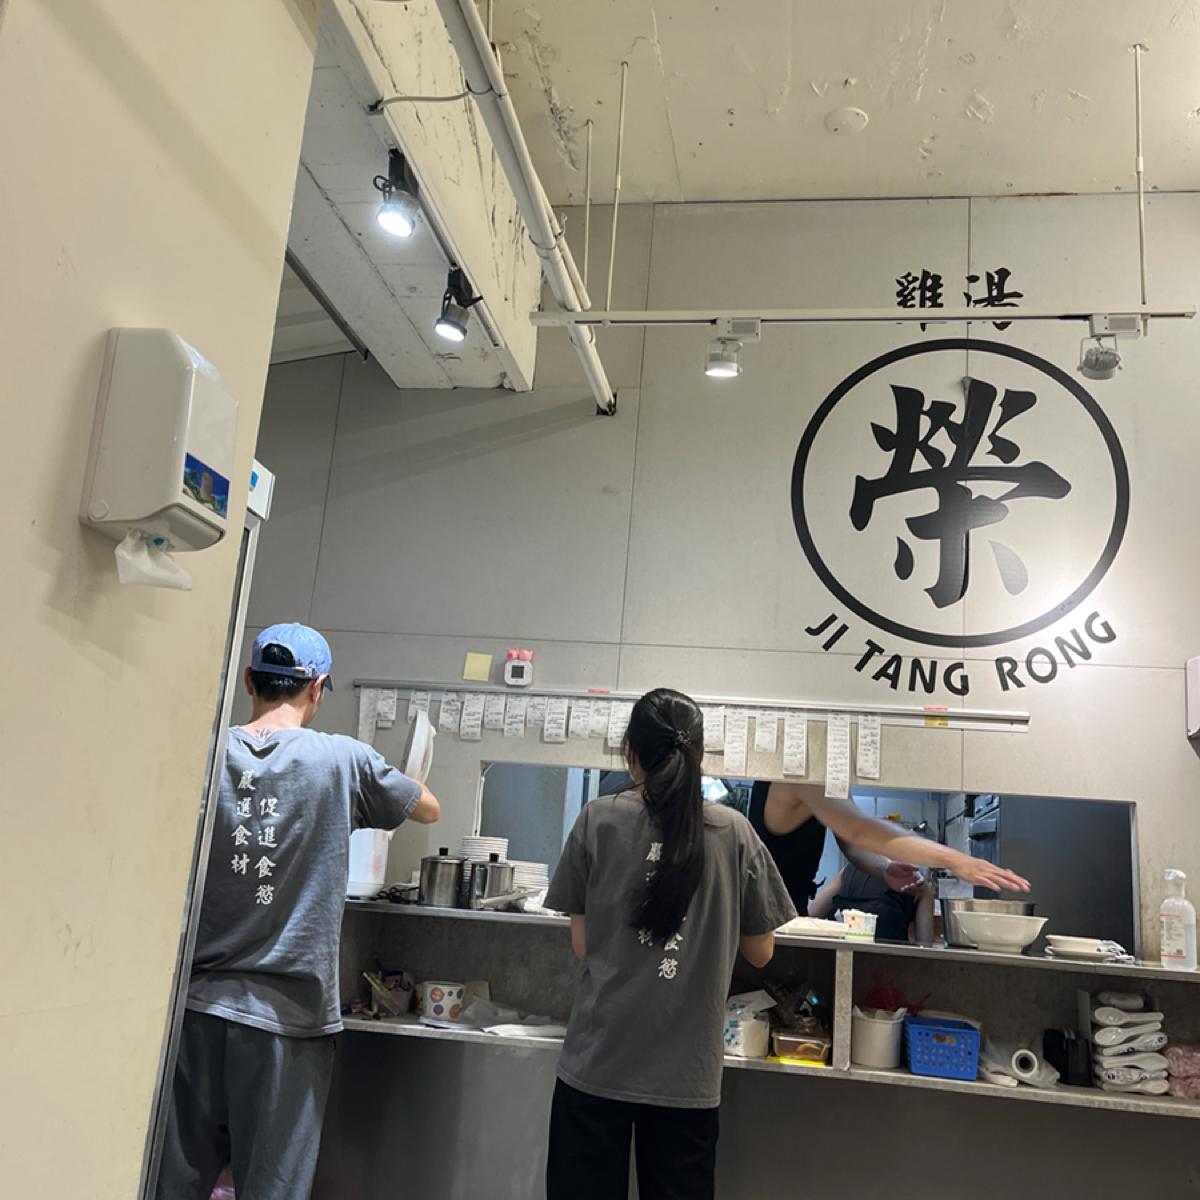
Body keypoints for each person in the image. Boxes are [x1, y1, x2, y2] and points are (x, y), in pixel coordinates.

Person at [156, 623, 440, 1200]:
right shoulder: (342, 759)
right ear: (316, 689)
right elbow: (427, 808)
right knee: (273, 1188)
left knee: (170, 1184)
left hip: (195, 1009)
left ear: (248, 681)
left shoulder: (204, 750)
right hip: (288, 1021)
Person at [544, 688, 796, 1200]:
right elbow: (761, 952)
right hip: (687, 1077)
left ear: (630, 752)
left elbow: (582, 944)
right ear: (698, 755)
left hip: (597, 1063)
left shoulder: (598, 818)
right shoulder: (735, 831)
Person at [747, 780, 1028, 912]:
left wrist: (885, 868)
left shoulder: (825, 777)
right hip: (762, 916)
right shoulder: (801, 772)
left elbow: (850, 843)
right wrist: (955, 859)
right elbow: (858, 829)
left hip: (786, 912)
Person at [809, 863, 936, 943]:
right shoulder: (919, 886)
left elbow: (810, 916)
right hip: (890, 966)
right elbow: (925, 949)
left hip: (844, 962)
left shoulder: (848, 871)